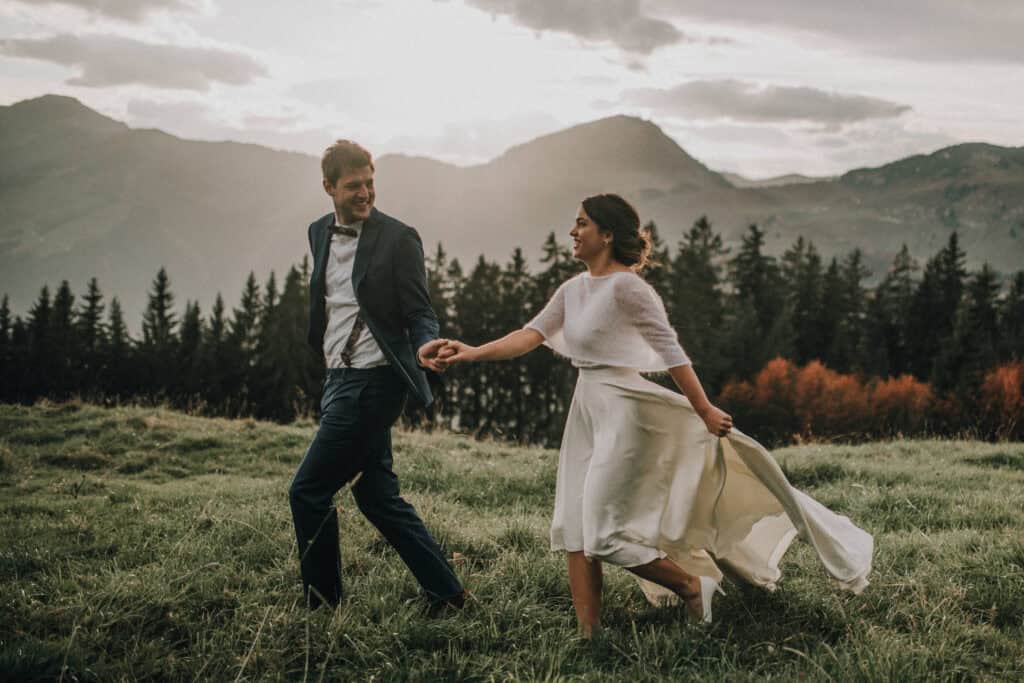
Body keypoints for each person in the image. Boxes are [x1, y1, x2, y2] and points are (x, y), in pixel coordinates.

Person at [438, 193, 872, 635]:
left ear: (607, 234)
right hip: (586, 406)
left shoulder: (629, 288)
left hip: (626, 410)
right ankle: (589, 638)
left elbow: (670, 351)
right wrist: (470, 353)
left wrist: (703, 409)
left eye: (582, 223)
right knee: (574, 526)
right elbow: (528, 336)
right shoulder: (573, 289)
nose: (573, 231)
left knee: (605, 534)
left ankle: (690, 586)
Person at [288, 139, 466, 612]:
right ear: (328, 187)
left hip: (375, 381)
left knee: (308, 491)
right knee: (376, 494)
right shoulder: (317, 232)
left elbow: (419, 310)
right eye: (353, 186)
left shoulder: (399, 237)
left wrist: (427, 344)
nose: (366, 193)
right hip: (337, 378)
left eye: (370, 183)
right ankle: (447, 595)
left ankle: (322, 604)